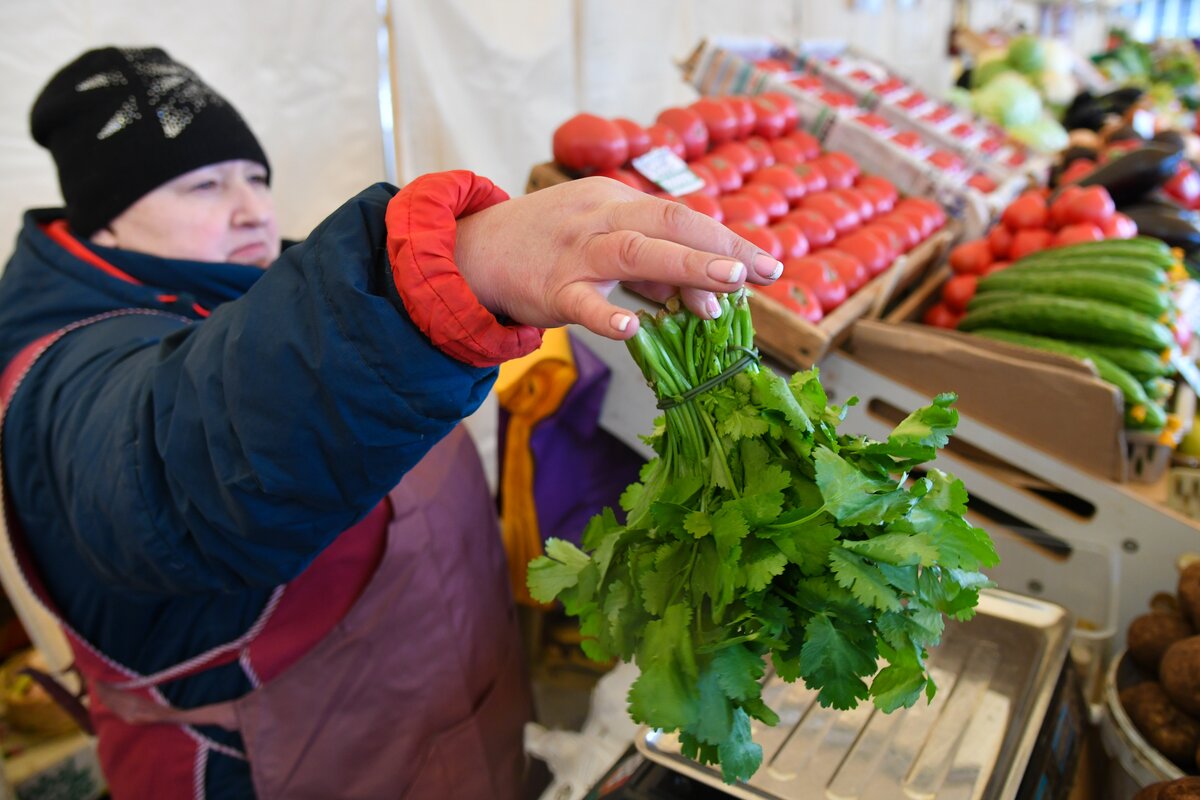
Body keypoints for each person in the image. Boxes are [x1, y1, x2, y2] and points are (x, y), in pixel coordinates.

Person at [0, 46, 782, 799]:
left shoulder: (262, 284)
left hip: (454, 719)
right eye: (202, 187)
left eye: (254, 176)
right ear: (100, 223)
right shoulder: (63, 372)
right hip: (284, 771)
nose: (251, 208)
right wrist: (449, 269)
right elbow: (183, 470)